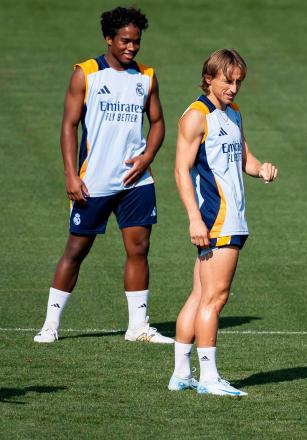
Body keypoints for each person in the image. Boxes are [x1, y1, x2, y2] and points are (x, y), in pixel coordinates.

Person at [34, 7, 171, 344]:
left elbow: (157, 123)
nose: (132, 47)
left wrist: (147, 156)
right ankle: (51, 323)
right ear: (108, 38)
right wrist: (70, 174)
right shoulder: (86, 73)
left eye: (136, 42)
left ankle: (138, 326)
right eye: (125, 41)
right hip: (92, 181)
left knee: (139, 248)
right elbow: (68, 126)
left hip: (135, 183)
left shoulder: (146, 78)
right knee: (76, 250)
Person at [168, 49, 277, 397]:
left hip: (229, 218)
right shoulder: (196, 117)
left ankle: (181, 374)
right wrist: (195, 219)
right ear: (210, 77)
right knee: (216, 298)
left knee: (200, 295)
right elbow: (180, 170)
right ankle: (209, 378)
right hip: (217, 219)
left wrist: (260, 168)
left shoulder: (232, 113)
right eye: (227, 81)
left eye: (238, 82)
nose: (233, 88)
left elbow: (242, 154)